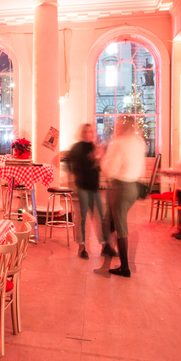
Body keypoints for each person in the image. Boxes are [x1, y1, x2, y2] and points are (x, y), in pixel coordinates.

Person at [99, 117, 147, 277]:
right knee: (110, 219)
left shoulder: (118, 143)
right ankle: (107, 246)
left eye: (118, 124)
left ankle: (125, 267)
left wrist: (102, 158)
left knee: (120, 226)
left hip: (120, 187)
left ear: (123, 126)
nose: (116, 127)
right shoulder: (139, 142)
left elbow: (109, 170)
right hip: (134, 186)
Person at [65, 123, 104, 260]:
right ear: (82, 133)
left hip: (94, 187)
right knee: (82, 218)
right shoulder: (78, 147)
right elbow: (68, 161)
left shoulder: (95, 147)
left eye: (90, 131)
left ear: (93, 133)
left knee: (100, 216)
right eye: (85, 131)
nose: (88, 134)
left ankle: (105, 246)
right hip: (82, 187)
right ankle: (82, 247)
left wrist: (99, 159)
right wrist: (73, 175)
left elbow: (98, 168)